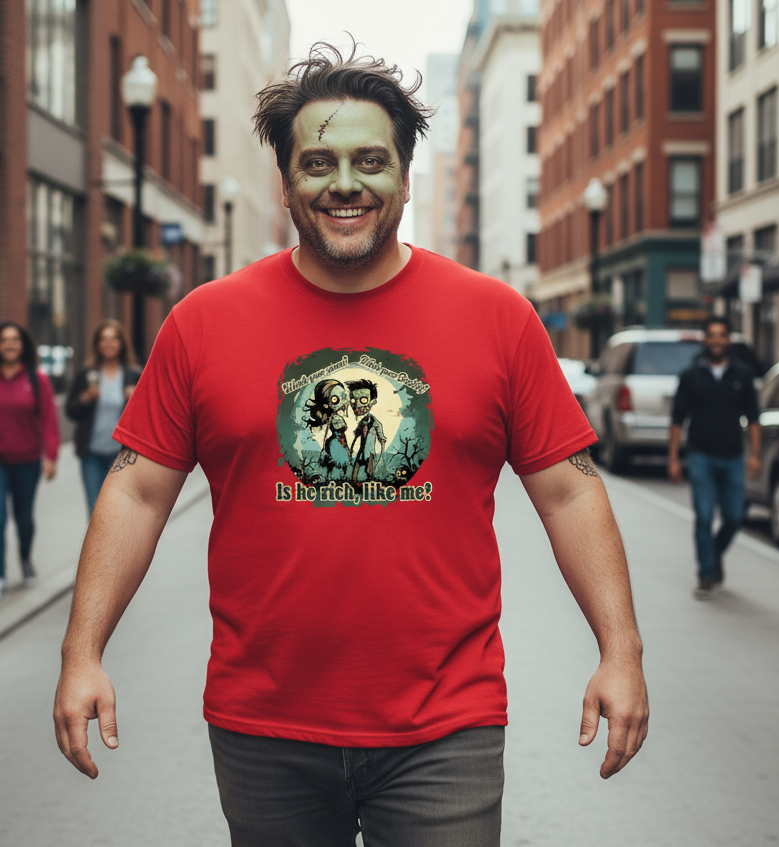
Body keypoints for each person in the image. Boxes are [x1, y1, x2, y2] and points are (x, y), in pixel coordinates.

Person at [53, 42, 648, 846]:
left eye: (370, 161)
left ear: (403, 176)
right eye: (317, 162)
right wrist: (81, 651)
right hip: (263, 725)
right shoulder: (203, 321)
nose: (344, 183)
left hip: (447, 724)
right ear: (286, 180)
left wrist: (620, 650)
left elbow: (570, 490)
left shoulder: (497, 317)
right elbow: (136, 489)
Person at [668, 316, 761, 600]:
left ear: (728, 340)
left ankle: (714, 553)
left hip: (733, 457)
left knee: (734, 517)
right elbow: (677, 420)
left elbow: (753, 418)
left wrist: (755, 455)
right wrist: (673, 458)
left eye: (722, 335)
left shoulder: (743, 374)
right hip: (701, 456)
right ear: (705, 340)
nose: (717, 341)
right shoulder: (690, 375)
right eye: (712, 335)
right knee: (704, 517)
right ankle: (705, 575)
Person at [0, 321, 60, 596]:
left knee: (24, 520)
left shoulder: (37, 379)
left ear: (22, 345)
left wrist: (51, 457)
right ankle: (1, 572)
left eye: (14, 340)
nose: (9, 345)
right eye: (4, 340)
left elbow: (49, 420)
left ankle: (25, 558)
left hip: (27, 461)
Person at [65, 321, 141, 515]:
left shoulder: (133, 374)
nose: (109, 344)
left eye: (114, 339)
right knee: (94, 510)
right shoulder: (86, 373)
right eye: (104, 339)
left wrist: (135, 399)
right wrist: (84, 400)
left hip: (121, 454)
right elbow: (70, 411)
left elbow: (149, 415)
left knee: (118, 511)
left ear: (121, 343)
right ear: (97, 344)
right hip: (91, 452)